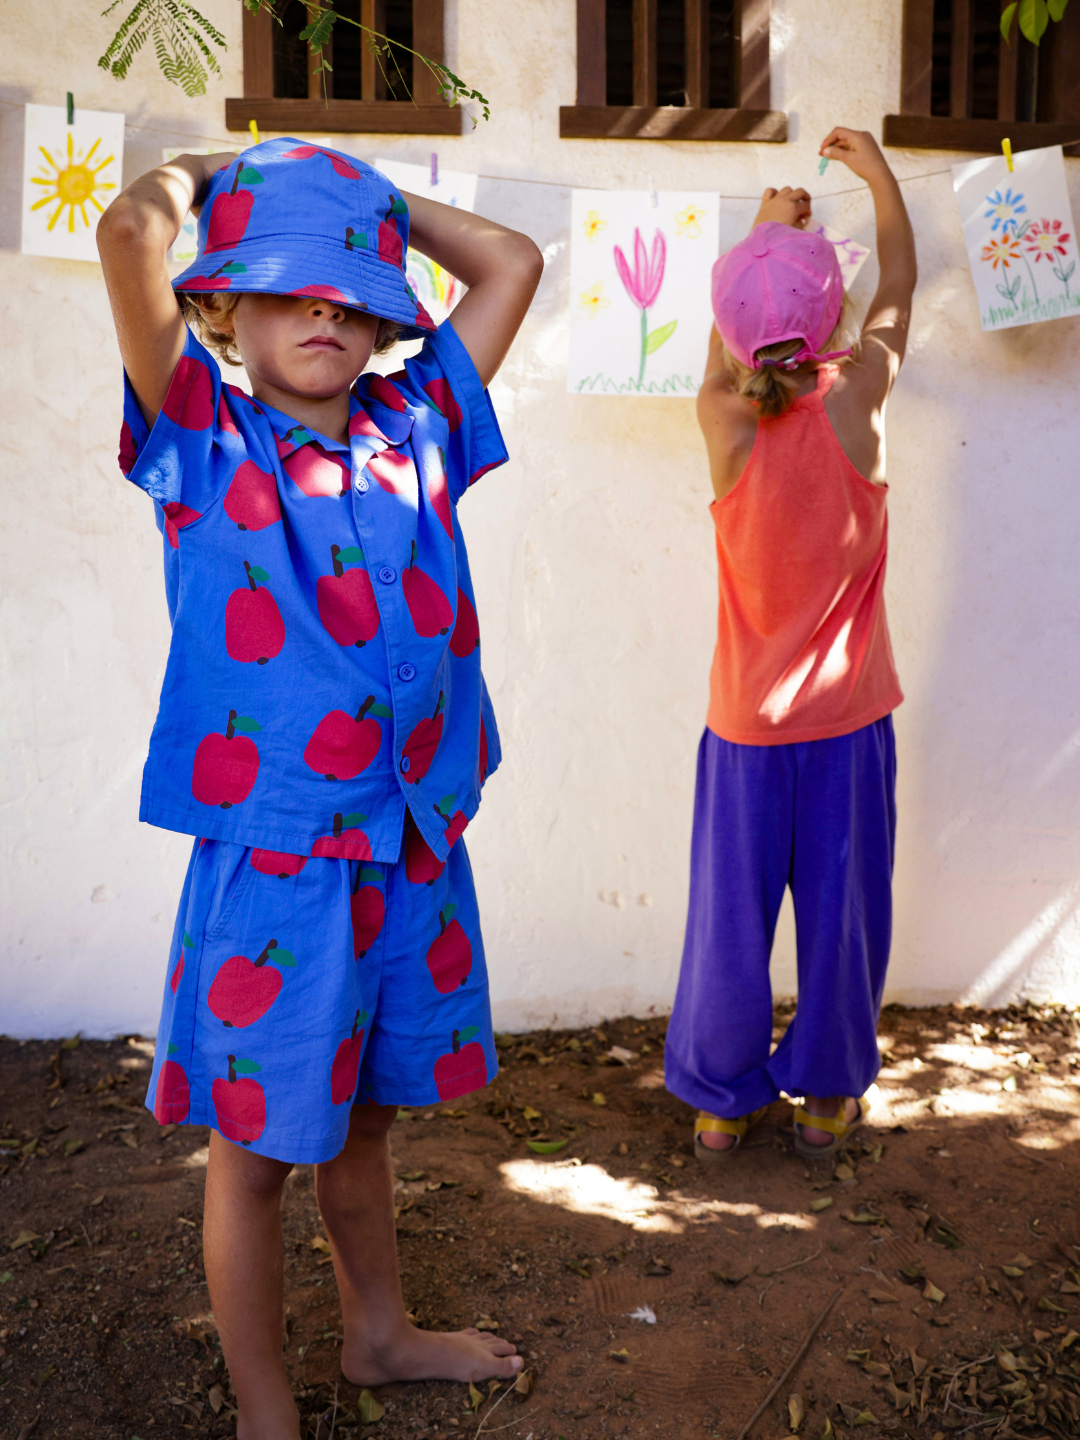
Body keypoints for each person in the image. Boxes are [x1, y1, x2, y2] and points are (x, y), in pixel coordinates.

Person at [96, 137, 542, 1436]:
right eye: (292, 290)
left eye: (353, 296)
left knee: (361, 1133)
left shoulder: (421, 423)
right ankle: (261, 1404)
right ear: (223, 306)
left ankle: (379, 1337)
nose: (328, 316)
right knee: (252, 1156)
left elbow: (511, 262)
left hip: (408, 851)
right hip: (277, 863)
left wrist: (369, 210)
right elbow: (131, 245)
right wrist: (202, 177)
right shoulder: (199, 434)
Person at [663, 128, 917, 1164]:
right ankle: (824, 1100)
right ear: (835, 322)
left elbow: (738, 343)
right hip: (848, 727)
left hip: (743, 733)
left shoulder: (721, 416)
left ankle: (721, 1107)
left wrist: (765, 238)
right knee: (843, 922)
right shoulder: (860, 401)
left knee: (728, 921)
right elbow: (899, 280)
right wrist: (877, 179)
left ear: (730, 333)